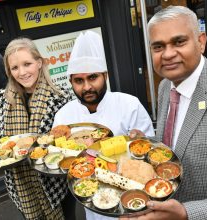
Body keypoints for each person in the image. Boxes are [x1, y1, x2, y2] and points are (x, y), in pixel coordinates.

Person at [121, 5, 207, 220]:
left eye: (179, 42)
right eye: (158, 46)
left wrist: (187, 213)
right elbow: (176, 143)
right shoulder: (165, 86)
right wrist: (149, 145)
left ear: (201, 42)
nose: (168, 54)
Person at [53, 30, 155, 220]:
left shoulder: (129, 104)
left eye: (93, 77)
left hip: (135, 204)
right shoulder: (63, 116)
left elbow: (150, 152)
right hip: (92, 204)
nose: (86, 87)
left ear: (105, 75)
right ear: (70, 82)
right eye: (79, 81)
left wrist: (144, 140)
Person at [0, 37, 71, 219]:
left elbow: (70, 144)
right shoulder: (1, 102)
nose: (22, 72)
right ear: (9, 71)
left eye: (27, 64)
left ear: (39, 63)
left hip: (56, 185)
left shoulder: (61, 97)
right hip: (21, 186)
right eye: (15, 67)